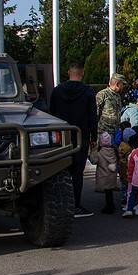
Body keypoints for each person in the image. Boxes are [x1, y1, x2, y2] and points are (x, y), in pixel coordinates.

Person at [49, 62, 98, 218]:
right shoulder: (88, 92)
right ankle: (76, 205)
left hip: (61, 136)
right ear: (82, 73)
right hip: (80, 136)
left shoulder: (57, 91)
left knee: (59, 172)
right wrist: (94, 137)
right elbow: (92, 116)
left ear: (68, 72)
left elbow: (52, 113)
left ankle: (59, 205)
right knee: (77, 173)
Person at [95, 73, 128, 213]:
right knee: (107, 167)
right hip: (104, 135)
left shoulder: (117, 96)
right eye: (122, 84)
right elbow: (95, 113)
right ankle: (109, 202)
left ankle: (121, 196)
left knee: (117, 165)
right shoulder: (102, 94)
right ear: (116, 83)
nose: (123, 87)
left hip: (114, 134)